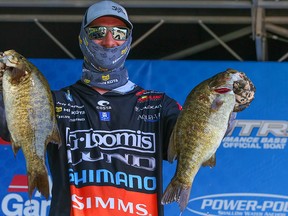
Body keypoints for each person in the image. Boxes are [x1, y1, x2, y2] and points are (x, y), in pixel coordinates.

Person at [0, 0, 181, 215]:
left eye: (119, 33)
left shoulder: (159, 104)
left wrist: (224, 110)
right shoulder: (53, 101)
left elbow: (198, 137)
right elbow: (6, 132)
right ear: (82, 38)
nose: (109, 40)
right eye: (98, 32)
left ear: (129, 40)